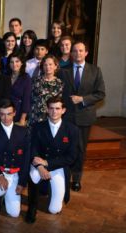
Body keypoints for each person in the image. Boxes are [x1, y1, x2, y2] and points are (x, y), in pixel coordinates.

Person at [60, 41, 106, 192]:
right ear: (71, 54)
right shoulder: (63, 71)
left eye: (80, 51)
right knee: (65, 147)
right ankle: (64, 176)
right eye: (74, 51)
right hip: (66, 117)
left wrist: (83, 99)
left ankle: (77, 178)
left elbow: (100, 94)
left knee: (80, 149)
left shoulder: (95, 70)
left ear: (86, 53)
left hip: (85, 117)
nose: (77, 54)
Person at [26, 96, 78, 223]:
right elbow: (32, 150)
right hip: (39, 164)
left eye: (57, 108)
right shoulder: (38, 127)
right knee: (33, 176)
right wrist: (40, 167)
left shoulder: (72, 130)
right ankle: (32, 207)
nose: (54, 112)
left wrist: (48, 163)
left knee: (54, 210)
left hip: (57, 166)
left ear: (63, 110)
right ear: (47, 110)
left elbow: (71, 157)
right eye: (51, 108)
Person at [0, 99, 30, 224]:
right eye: (2, 114)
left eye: (9, 114)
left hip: (15, 174)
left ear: (15, 113)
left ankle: (5, 198)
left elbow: (26, 159)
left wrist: (22, 182)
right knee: (0, 189)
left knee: (14, 213)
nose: (6, 118)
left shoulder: (23, 132)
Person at [29, 55, 64, 127]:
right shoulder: (35, 80)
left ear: (55, 66)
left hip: (52, 118)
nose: (48, 67)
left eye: (50, 64)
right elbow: (30, 98)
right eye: (45, 65)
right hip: (35, 117)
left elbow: (60, 102)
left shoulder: (60, 83)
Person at [7, 52, 31, 126]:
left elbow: (26, 99)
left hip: (19, 115)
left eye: (17, 61)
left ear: (22, 63)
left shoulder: (26, 78)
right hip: (5, 115)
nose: (14, 64)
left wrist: (22, 118)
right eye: (12, 62)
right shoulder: (5, 77)